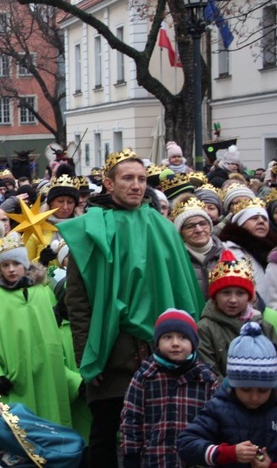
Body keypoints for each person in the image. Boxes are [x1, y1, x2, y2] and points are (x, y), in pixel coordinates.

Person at [58, 148, 203, 467]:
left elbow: (180, 289)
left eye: (141, 179)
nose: (137, 185)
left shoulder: (162, 227)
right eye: (128, 178)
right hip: (111, 349)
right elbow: (78, 303)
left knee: (158, 434)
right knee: (105, 435)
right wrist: (86, 355)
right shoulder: (88, 229)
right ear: (109, 184)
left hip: (159, 350)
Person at [0, 232, 81, 427]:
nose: (11, 270)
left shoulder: (41, 291)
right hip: (14, 375)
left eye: (16, 264)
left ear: (26, 264)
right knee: (20, 425)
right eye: (5, 265)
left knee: (51, 420)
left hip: (47, 371)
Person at [120, 309, 218, 467]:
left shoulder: (206, 378)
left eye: (183, 337)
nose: (175, 343)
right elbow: (131, 418)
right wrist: (131, 455)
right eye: (167, 337)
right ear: (157, 342)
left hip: (194, 461)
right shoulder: (145, 376)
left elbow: (216, 421)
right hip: (155, 460)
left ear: (193, 343)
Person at [177, 322, 277, 466]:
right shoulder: (218, 408)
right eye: (246, 389)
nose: (254, 397)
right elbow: (186, 444)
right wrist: (226, 453)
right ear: (233, 385)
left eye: (263, 390)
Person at [198, 250, 277, 380]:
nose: (233, 300)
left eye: (240, 293)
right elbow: (208, 370)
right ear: (215, 297)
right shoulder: (204, 329)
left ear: (249, 297)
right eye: (226, 293)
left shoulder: (264, 326)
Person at [172, 196, 226, 300]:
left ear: (210, 227)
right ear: (180, 233)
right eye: (190, 226)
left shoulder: (226, 253)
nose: (199, 229)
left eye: (203, 224)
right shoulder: (175, 260)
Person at [26, 174, 80, 265]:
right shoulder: (35, 229)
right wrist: (41, 261)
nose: (65, 207)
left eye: (70, 202)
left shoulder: (81, 229)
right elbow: (24, 267)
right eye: (60, 201)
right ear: (51, 203)